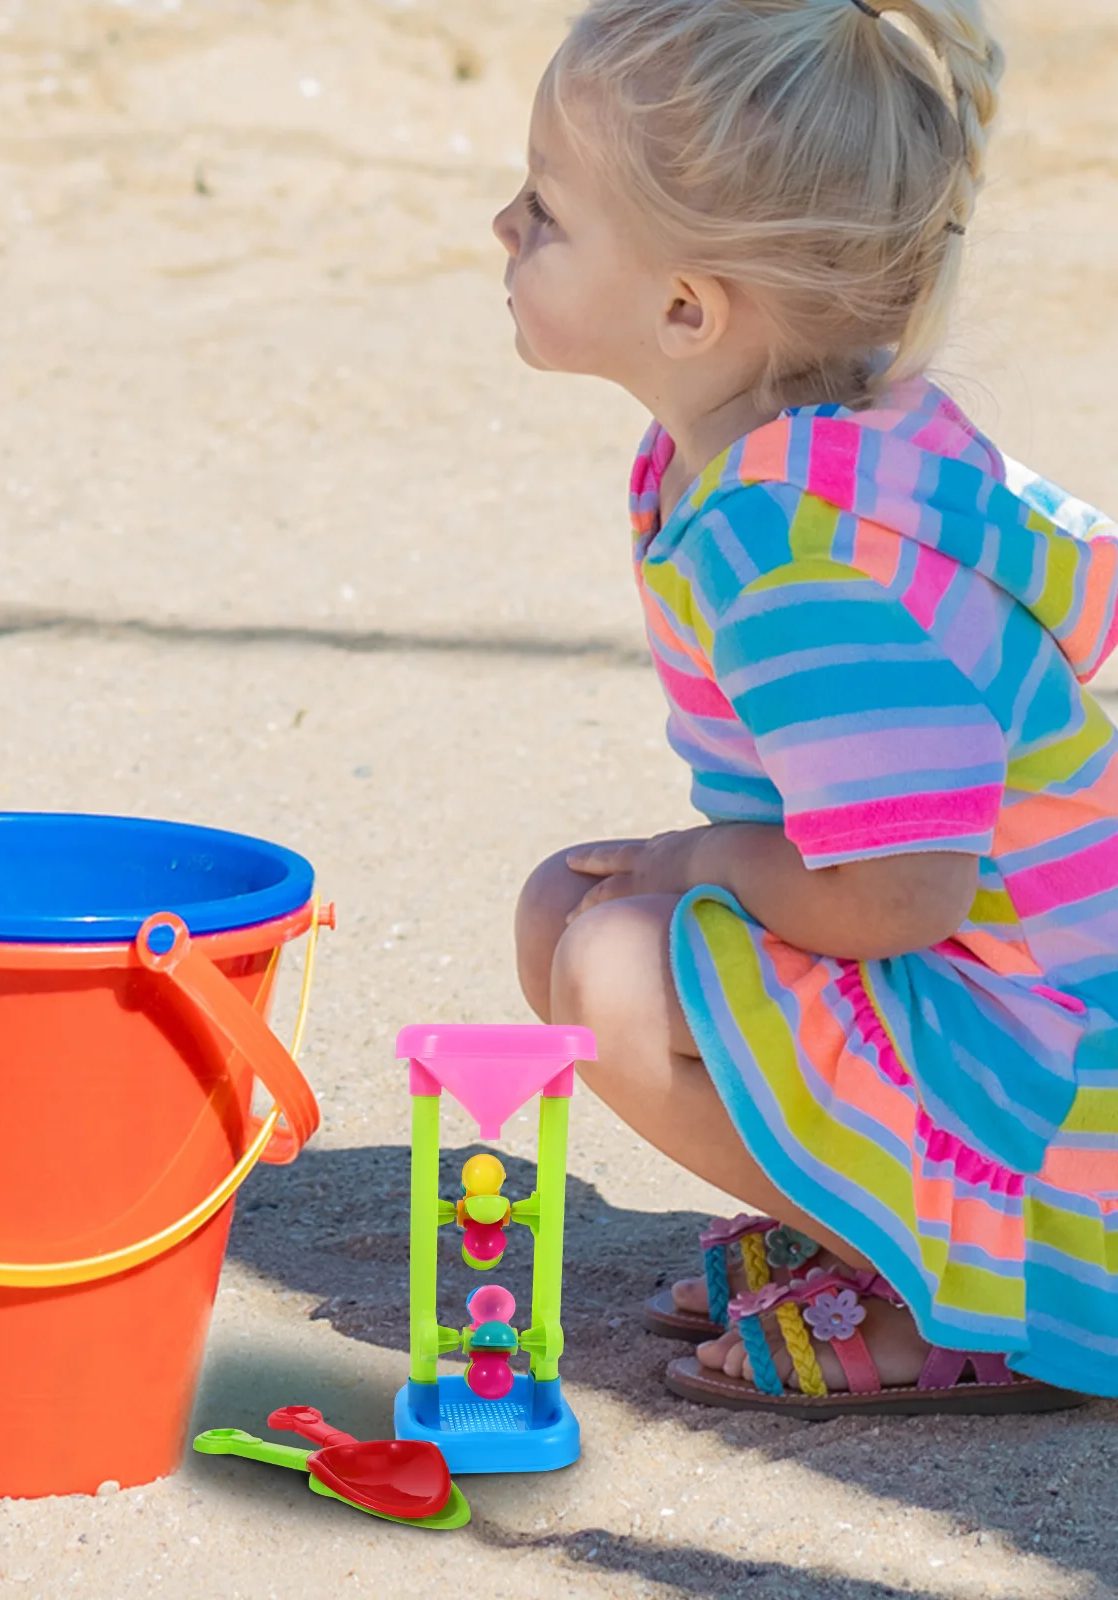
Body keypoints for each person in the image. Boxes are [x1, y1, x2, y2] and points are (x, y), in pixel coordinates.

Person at [504, 0, 1118, 1414]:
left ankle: (956, 1298)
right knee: (571, 914)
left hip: (1055, 1079)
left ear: (684, 309)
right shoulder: (788, 452)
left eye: (543, 209)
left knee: (608, 969)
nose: (502, 228)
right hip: (995, 1000)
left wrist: (703, 860)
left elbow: (903, 891)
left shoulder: (791, 547)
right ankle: (861, 1221)